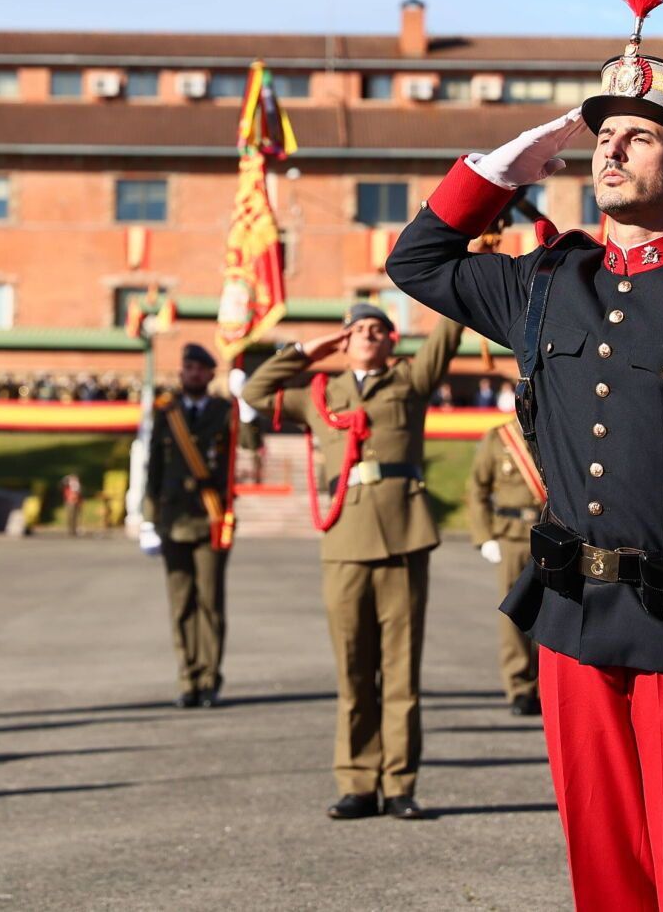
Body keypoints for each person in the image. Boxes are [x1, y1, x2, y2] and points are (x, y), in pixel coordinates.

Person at [386, 57, 663, 909]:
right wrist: (500, 170)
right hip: (571, 607)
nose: (612, 151)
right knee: (599, 841)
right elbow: (417, 261)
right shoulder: (545, 285)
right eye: (604, 136)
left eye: (640, 136)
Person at [240, 302, 464, 822]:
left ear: (391, 342)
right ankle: (359, 782)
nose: (368, 335)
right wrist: (304, 352)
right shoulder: (319, 394)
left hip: (403, 536)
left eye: (378, 329)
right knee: (354, 670)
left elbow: (447, 335)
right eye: (358, 329)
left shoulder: (410, 381)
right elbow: (253, 393)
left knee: (402, 672)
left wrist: (468, 266)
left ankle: (400, 783)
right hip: (344, 541)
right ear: (345, 341)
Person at [138, 343, 234, 708]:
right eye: (187, 367)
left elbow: (251, 446)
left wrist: (249, 407)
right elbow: (153, 467)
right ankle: (187, 678)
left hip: (212, 517)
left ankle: (210, 678)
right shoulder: (167, 412)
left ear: (211, 374)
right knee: (181, 604)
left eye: (199, 368)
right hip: (174, 519)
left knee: (210, 602)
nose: (192, 373)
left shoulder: (227, 412)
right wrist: (149, 520)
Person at [465, 413, 544, 716]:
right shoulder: (499, 438)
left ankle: (545, 684)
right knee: (514, 615)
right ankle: (520, 686)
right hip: (511, 538)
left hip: (550, 535)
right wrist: (484, 536)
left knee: (553, 612)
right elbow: (477, 489)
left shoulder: (550, 429)